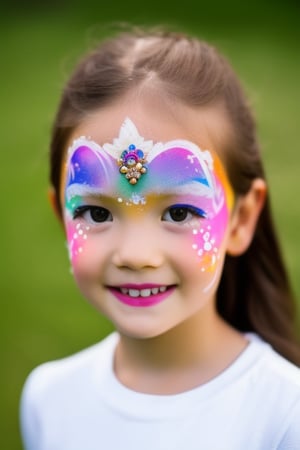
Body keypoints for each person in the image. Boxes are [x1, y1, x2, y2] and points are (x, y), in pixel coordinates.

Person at [20, 27, 300, 450]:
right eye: (96, 213)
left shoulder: (284, 414)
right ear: (63, 218)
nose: (136, 255)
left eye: (179, 212)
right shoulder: (48, 400)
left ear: (242, 220)